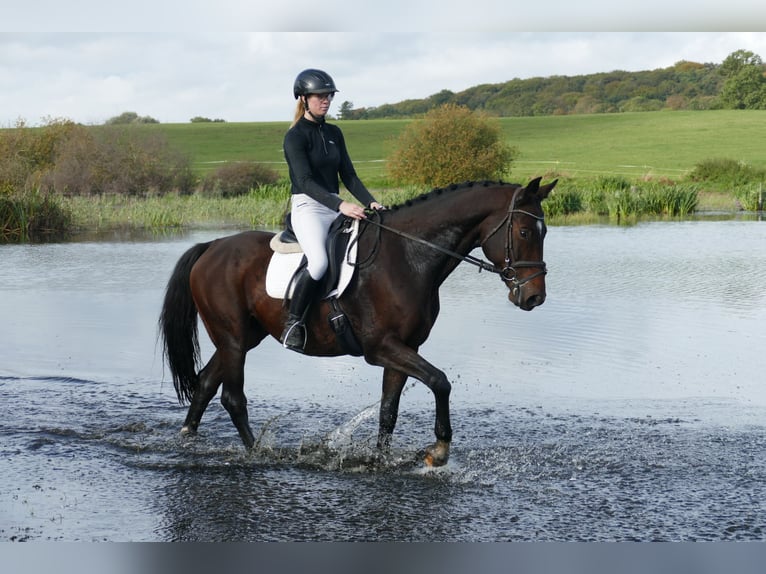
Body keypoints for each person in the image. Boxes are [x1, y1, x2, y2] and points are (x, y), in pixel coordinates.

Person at [281, 68, 384, 352]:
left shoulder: (334, 132)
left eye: (328, 95)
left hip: (336, 206)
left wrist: (371, 201)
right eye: (319, 96)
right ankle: (293, 322)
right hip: (309, 208)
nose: (325, 100)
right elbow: (304, 181)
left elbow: (348, 175)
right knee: (319, 263)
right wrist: (341, 205)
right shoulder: (295, 136)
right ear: (303, 98)